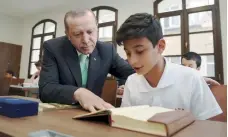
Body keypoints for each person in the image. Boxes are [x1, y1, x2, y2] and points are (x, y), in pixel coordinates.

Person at [116, 13, 222, 120]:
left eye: (140, 51)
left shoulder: (191, 78)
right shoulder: (132, 82)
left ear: (160, 46)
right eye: (128, 53)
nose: (132, 61)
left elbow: (209, 127)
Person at [39, 9, 134, 112]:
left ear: (97, 28)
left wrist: (125, 85)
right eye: (77, 34)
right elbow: (46, 90)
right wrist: (78, 93)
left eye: (90, 32)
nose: (85, 40)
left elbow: (131, 73)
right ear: (68, 34)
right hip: (61, 112)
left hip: (91, 113)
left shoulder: (107, 50)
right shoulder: (53, 48)